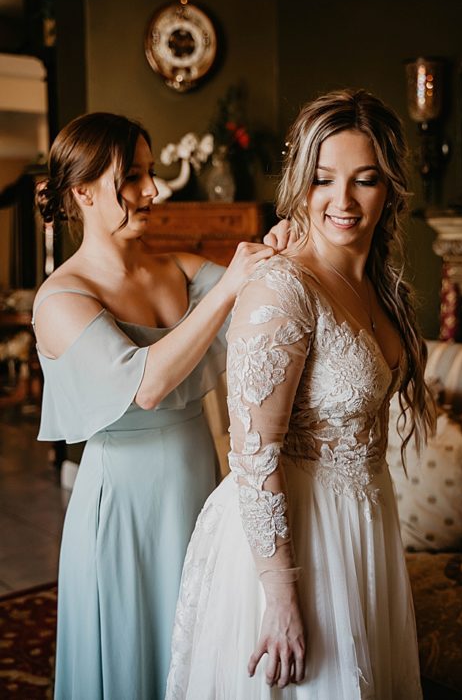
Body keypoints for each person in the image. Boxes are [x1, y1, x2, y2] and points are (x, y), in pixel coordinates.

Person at [166, 89, 435, 699]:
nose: (341, 201)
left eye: (364, 180)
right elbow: (255, 453)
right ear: (300, 182)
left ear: (389, 186)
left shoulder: (381, 290)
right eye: (322, 180)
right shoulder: (284, 286)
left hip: (362, 529)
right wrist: (280, 594)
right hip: (291, 545)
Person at [32, 112, 276, 700]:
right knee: (135, 656)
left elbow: (265, 287)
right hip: (125, 506)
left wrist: (284, 245)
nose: (152, 190)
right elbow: (145, 385)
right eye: (134, 177)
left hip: (198, 486)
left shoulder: (179, 270)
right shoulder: (62, 298)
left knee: (200, 647)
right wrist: (228, 288)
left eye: (150, 172)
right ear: (83, 191)